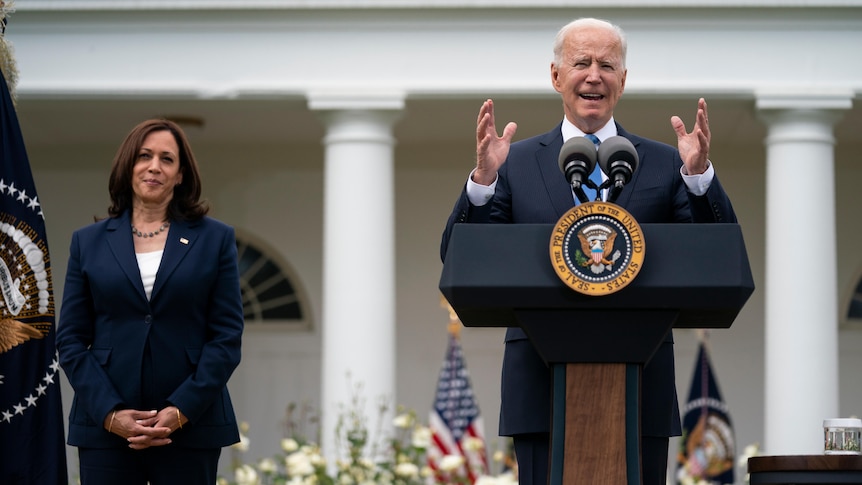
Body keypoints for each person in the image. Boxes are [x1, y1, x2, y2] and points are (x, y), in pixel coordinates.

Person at [440, 17, 736, 485]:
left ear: (623, 79)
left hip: (642, 386)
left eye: (607, 64)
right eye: (581, 62)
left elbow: (712, 256)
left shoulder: (666, 162)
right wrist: (483, 183)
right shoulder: (512, 163)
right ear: (556, 76)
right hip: (540, 385)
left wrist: (698, 178)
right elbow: (462, 254)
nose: (594, 74)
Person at [56, 119, 244, 485]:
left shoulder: (216, 239)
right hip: (105, 427)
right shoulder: (88, 242)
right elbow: (71, 339)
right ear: (128, 166)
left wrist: (180, 410)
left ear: (180, 175)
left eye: (167, 159)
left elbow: (226, 337)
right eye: (144, 156)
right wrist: (111, 414)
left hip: (191, 426)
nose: (154, 166)